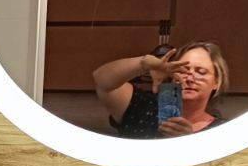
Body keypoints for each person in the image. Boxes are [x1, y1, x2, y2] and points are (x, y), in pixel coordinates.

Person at [92, 41, 229, 138]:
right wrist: (144, 63)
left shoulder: (222, 131)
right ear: (172, 74)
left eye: (201, 72)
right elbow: (102, 81)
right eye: (183, 70)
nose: (189, 78)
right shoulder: (142, 106)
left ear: (216, 82)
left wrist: (189, 143)